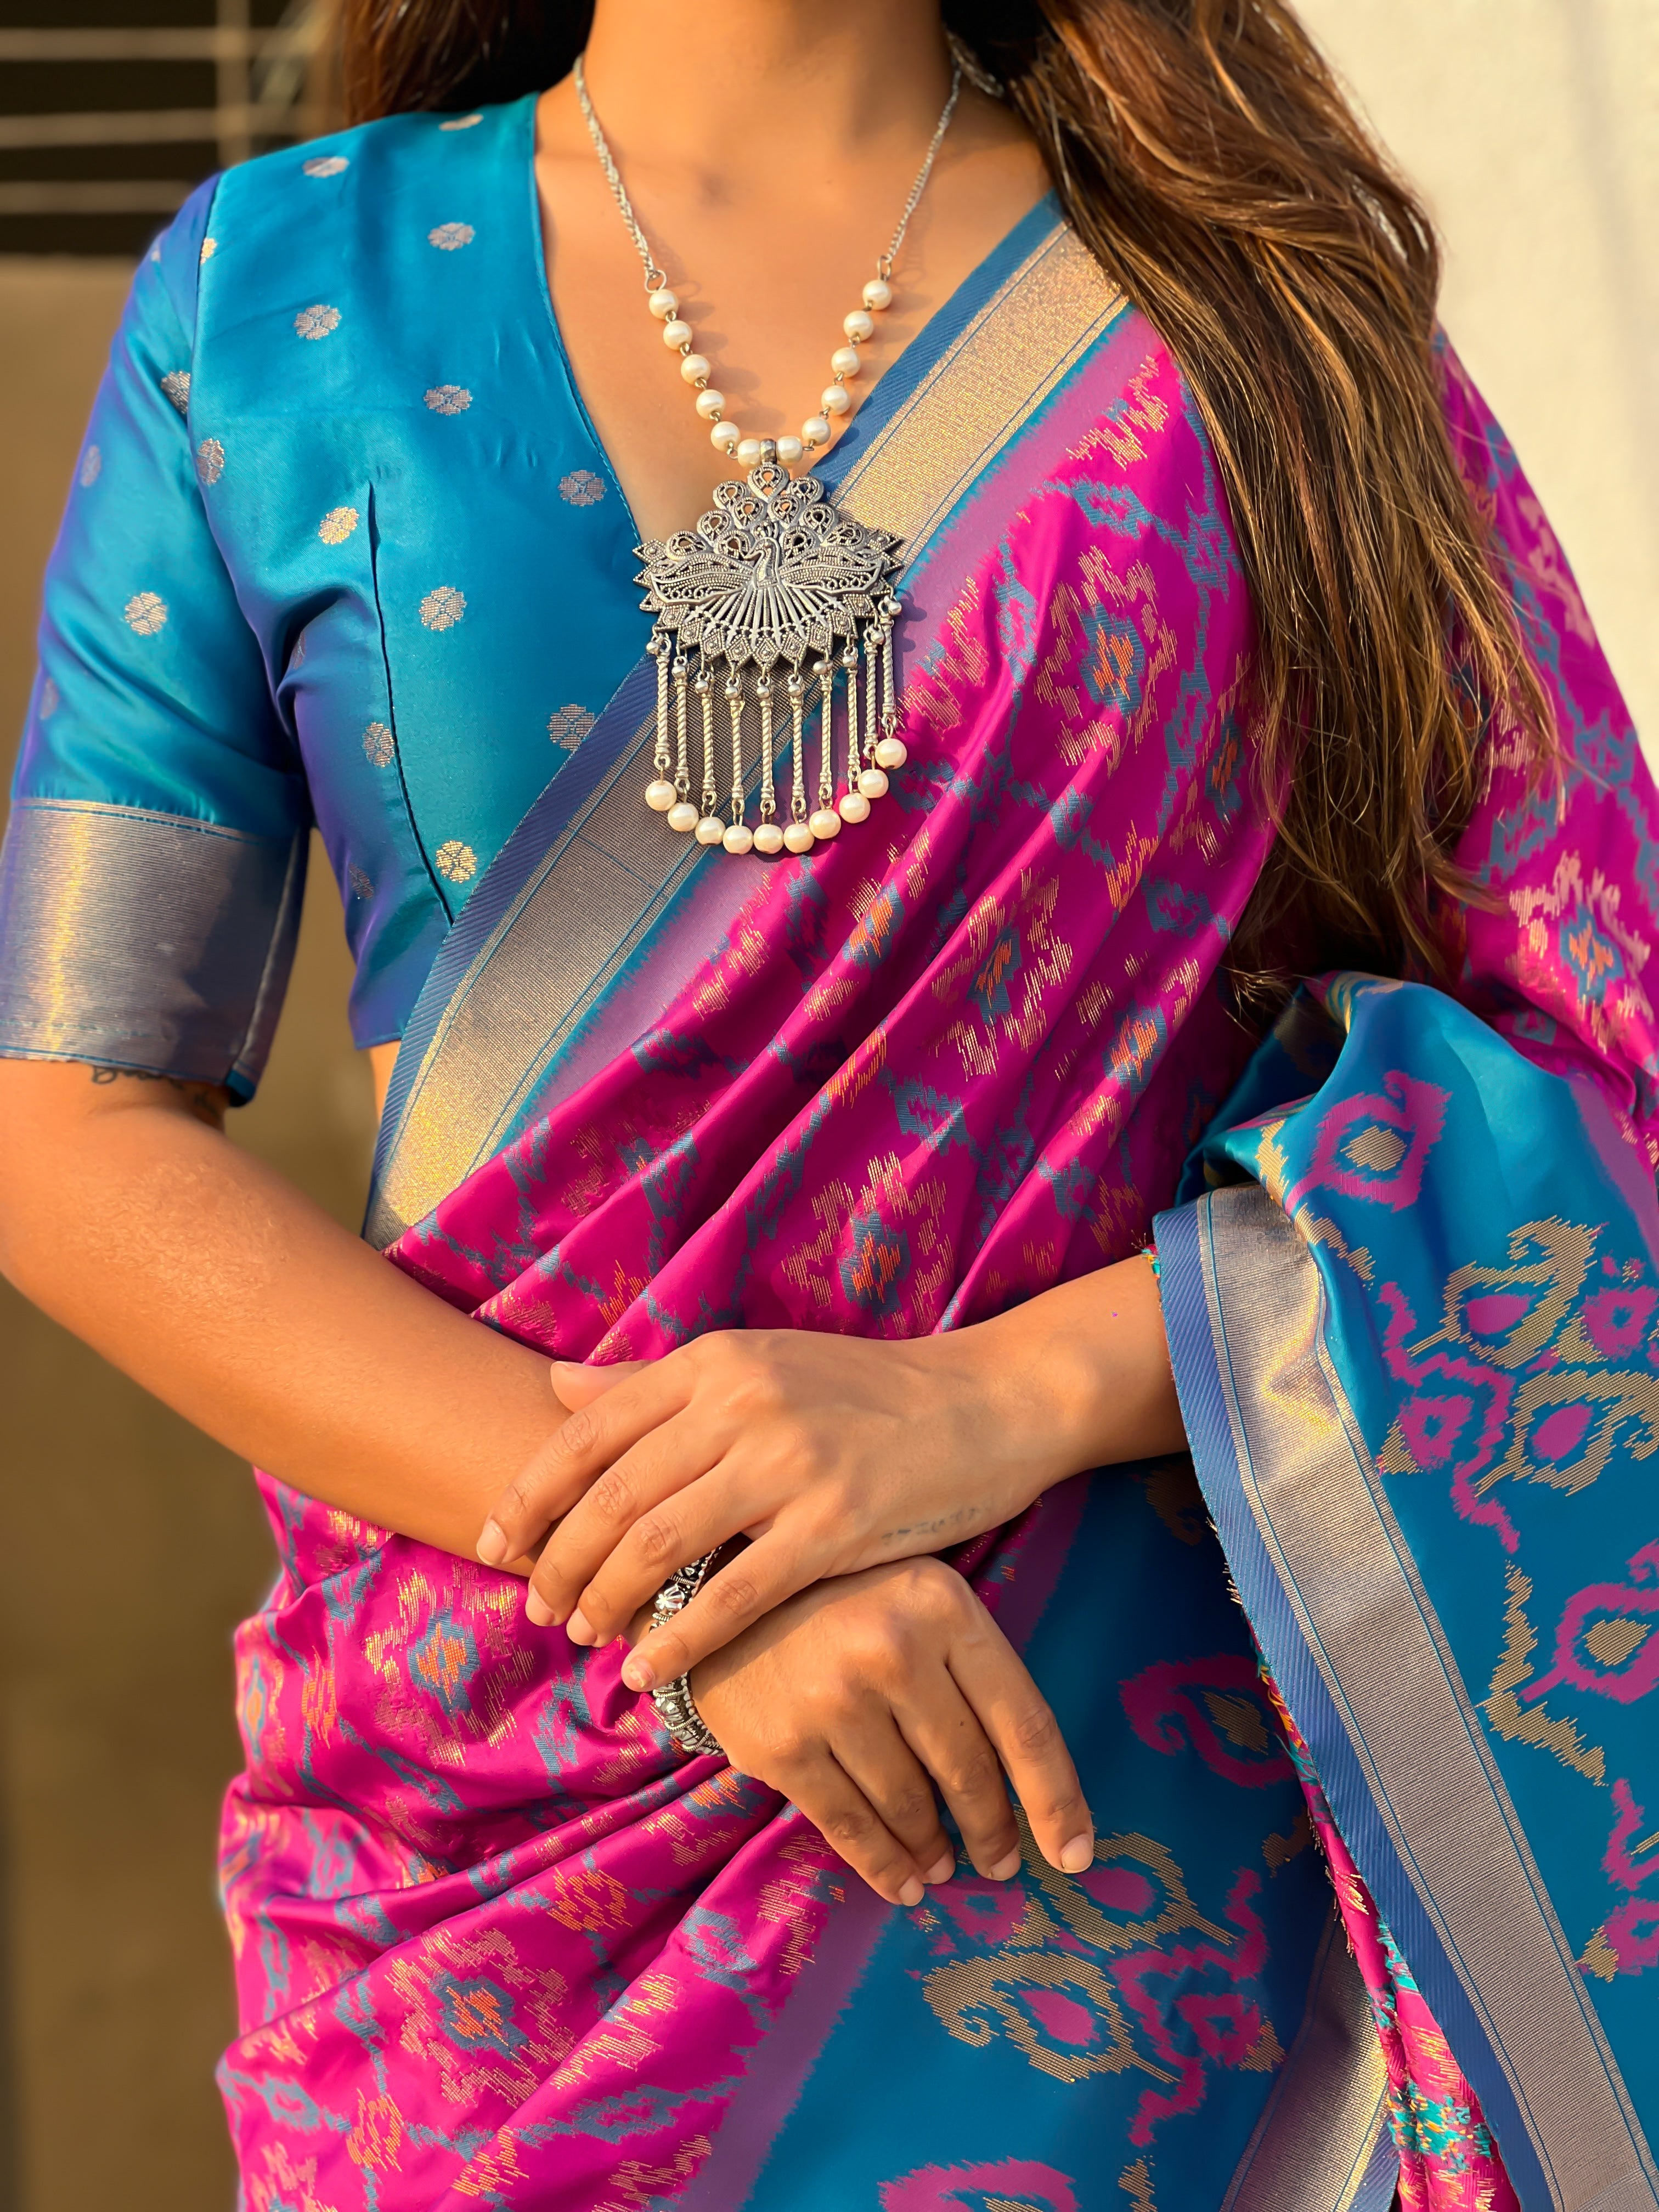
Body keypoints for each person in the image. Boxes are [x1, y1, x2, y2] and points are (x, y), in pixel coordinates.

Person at [0, 0, 1653, 2204]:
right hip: (498, 1857)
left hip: (1097, 1808)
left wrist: (994, 1401)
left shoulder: (1265, 321)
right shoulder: (279, 303)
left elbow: (1603, 1079)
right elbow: (67, 1126)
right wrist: (699, 1583)